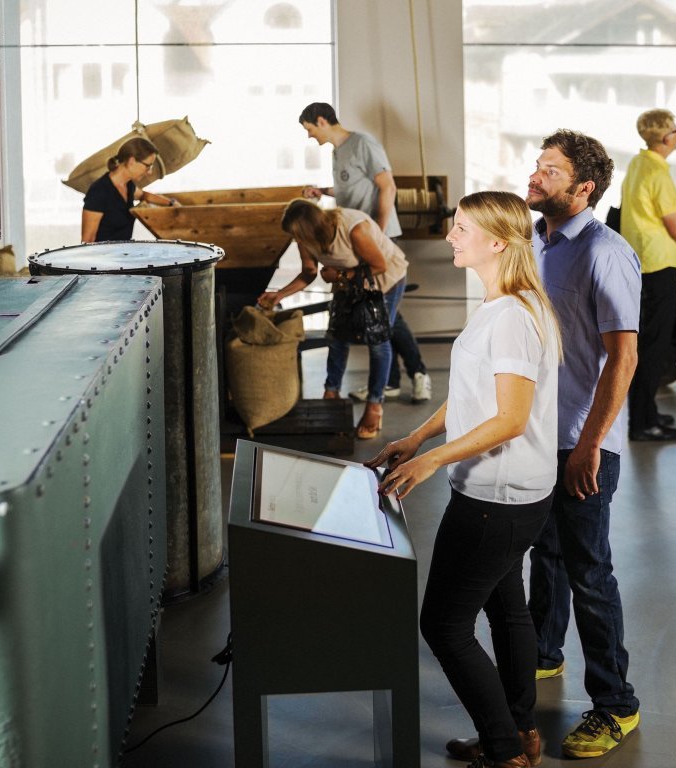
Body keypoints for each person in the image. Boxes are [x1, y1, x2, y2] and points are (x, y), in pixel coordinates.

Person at [366, 191, 560, 768]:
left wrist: (431, 461)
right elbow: (473, 399)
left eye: (461, 228)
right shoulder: (509, 304)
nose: (451, 236)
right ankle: (520, 732)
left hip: (494, 499)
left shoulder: (510, 319)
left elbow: (510, 418)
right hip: (512, 492)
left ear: (497, 241)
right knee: (507, 609)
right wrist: (418, 438)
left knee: (444, 625)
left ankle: (504, 752)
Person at [526, 130, 642, 758]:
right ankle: (544, 656)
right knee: (545, 554)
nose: (535, 176)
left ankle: (617, 706)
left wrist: (589, 445)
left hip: (584, 441)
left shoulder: (605, 252)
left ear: (583, 188)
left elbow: (623, 357)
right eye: (537, 165)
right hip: (541, 434)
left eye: (550, 170)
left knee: (590, 572)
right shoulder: (538, 243)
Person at [299, 102, 432, 403]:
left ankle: (418, 375)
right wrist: (322, 192)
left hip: (376, 239)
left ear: (321, 121)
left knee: (383, 317)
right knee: (383, 317)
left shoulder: (363, 143)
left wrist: (378, 232)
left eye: (309, 130)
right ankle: (393, 381)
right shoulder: (338, 151)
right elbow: (349, 190)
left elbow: (388, 187)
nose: (309, 136)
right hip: (355, 240)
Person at [258, 199, 407, 439]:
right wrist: (279, 294)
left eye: (298, 236)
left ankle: (374, 404)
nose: (297, 241)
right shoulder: (306, 239)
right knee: (337, 337)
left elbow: (378, 265)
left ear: (310, 229)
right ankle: (331, 391)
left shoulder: (354, 229)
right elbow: (308, 273)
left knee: (377, 341)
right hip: (347, 283)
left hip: (385, 281)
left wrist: (338, 275)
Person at [620, 109, 676, 442]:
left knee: (647, 342)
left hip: (640, 262)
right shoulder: (659, 174)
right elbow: (675, 226)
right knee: (655, 346)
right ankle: (642, 424)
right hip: (658, 264)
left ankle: (647, 412)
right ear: (665, 137)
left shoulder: (637, 163)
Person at [81, 137, 180, 243]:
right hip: (105, 257)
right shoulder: (99, 192)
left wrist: (171, 203)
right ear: (132, 161)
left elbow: (144, 195)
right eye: (148, 166)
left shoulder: (128, 185)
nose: (149, 172)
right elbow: (87, 241)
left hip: (124, 253)